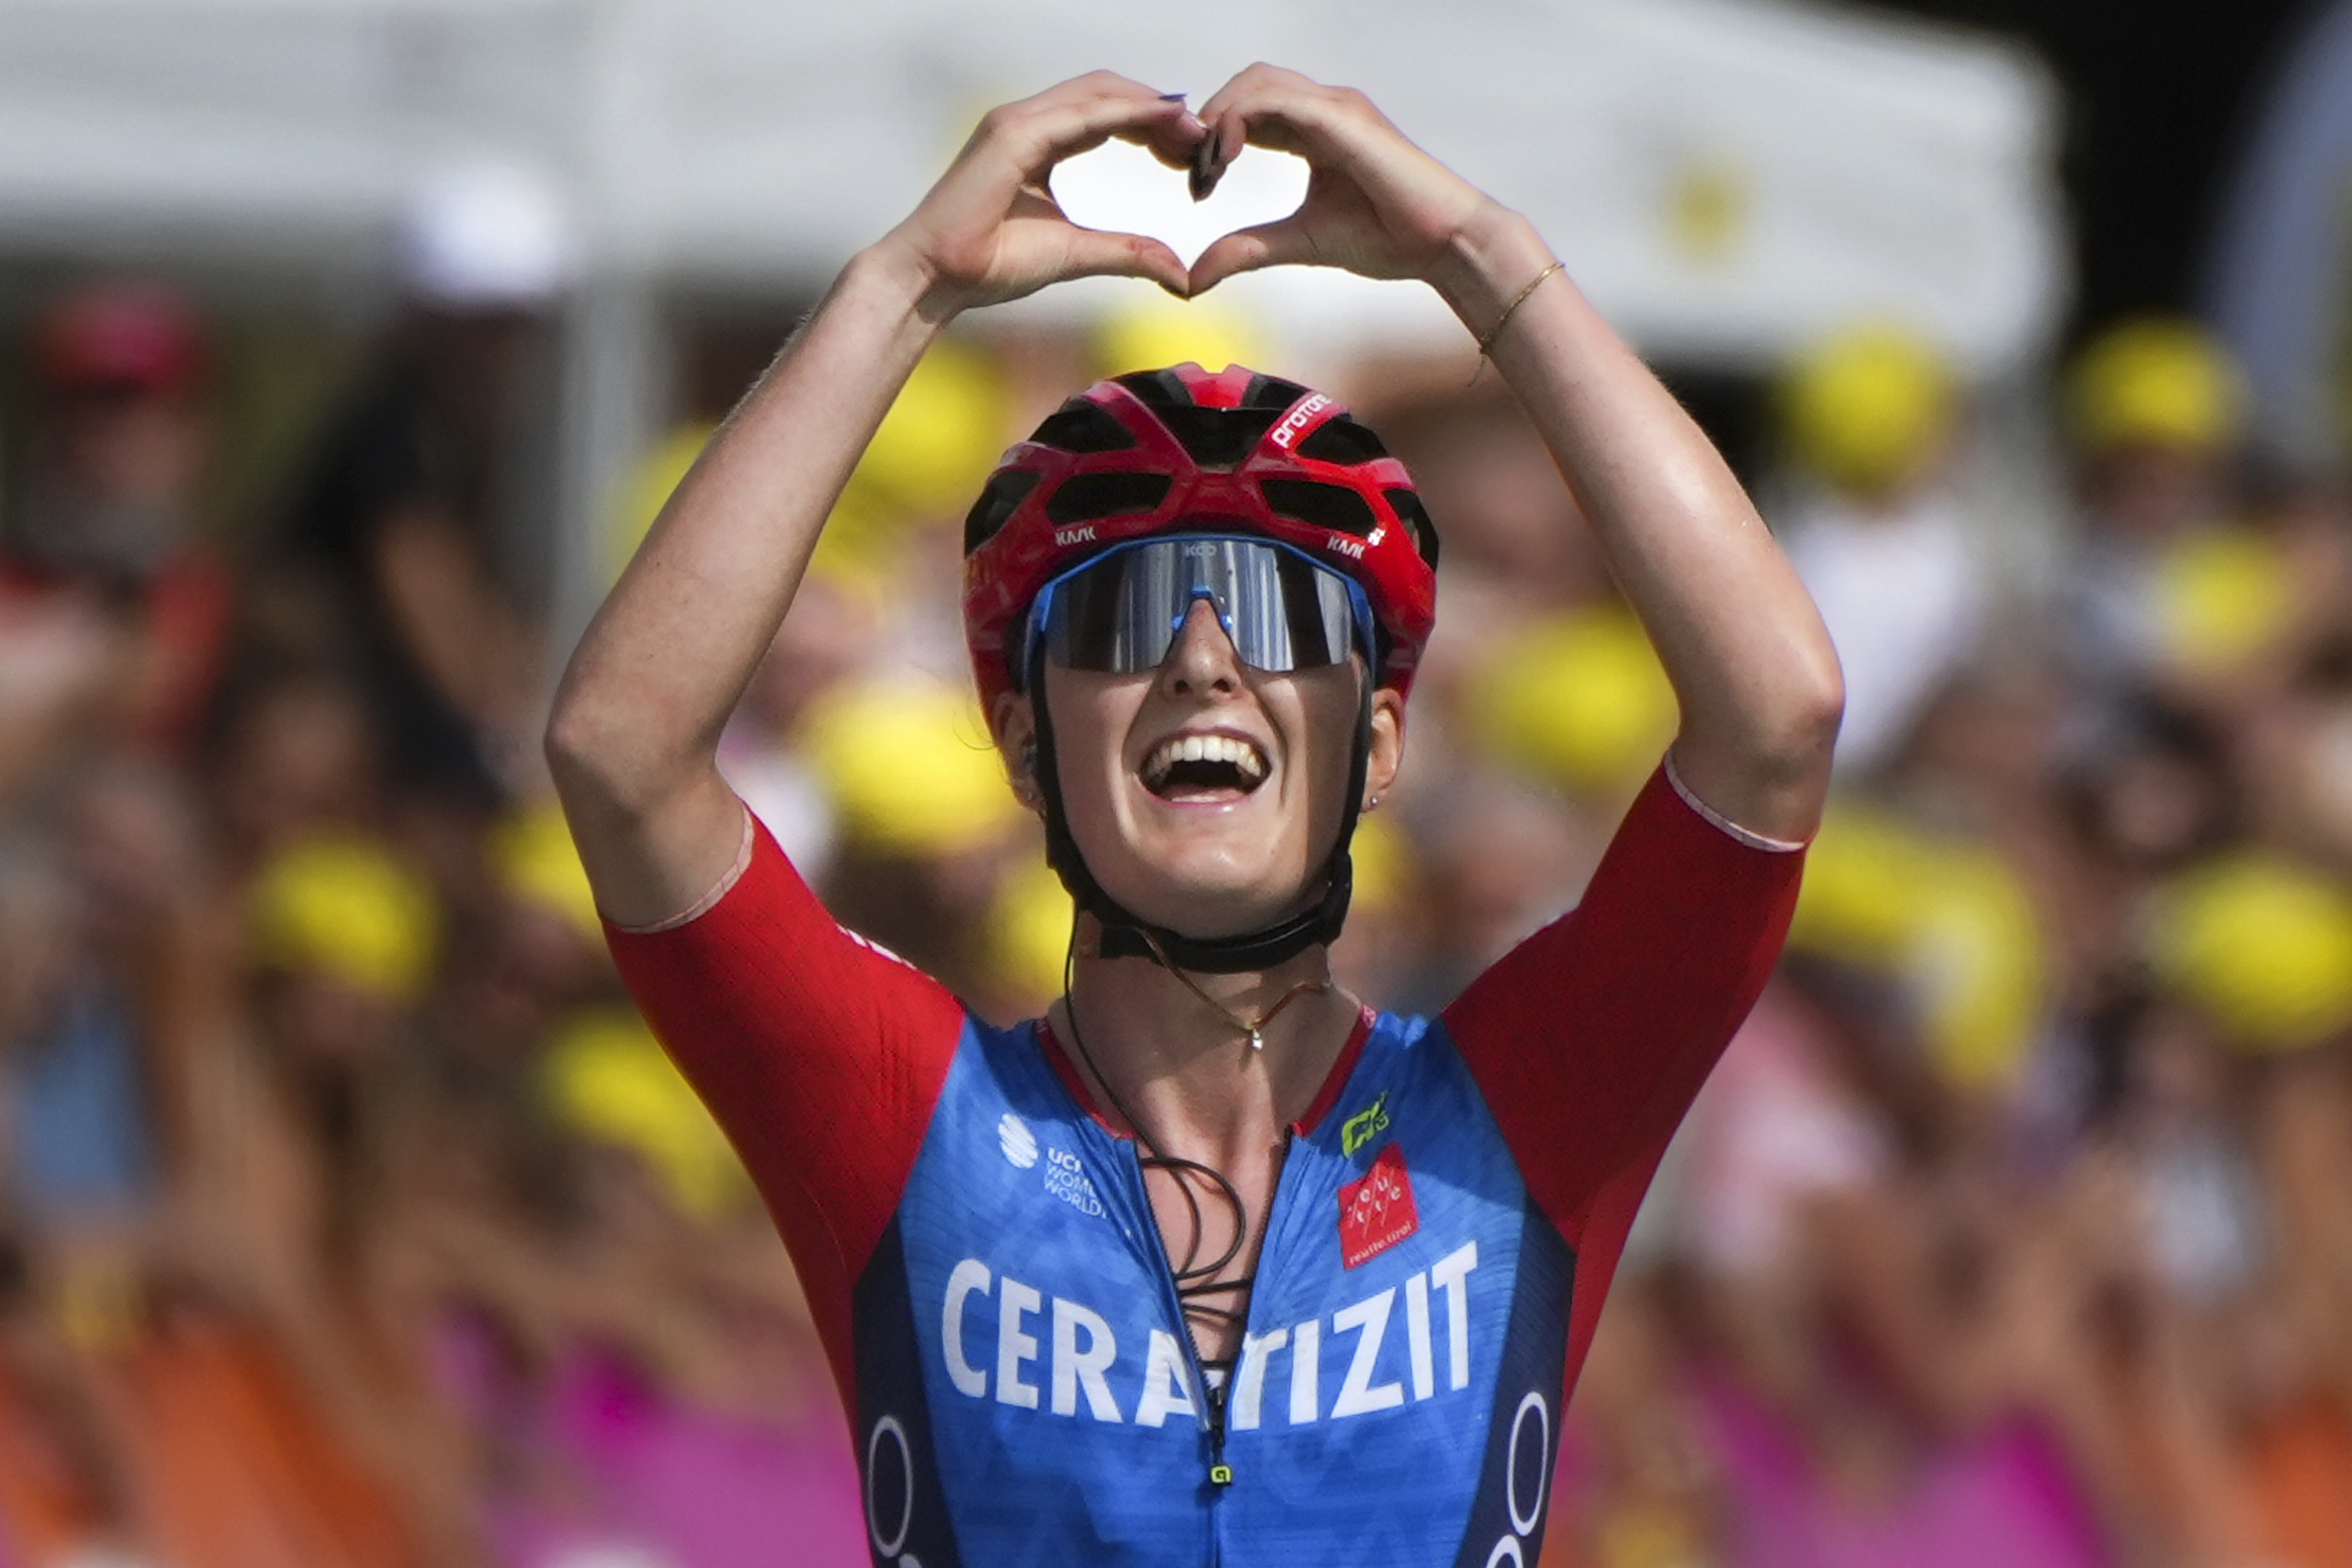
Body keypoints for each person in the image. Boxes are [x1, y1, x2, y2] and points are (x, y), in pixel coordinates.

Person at [547, 67, 1842, 1565]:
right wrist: (905, 286)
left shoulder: (1515, 1116)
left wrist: (1482, 261)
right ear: (1023, 750)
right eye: (1124, 613)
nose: (1205, 657)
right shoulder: (913, 1120)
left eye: (1290, 613)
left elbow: (1778, 720)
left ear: (1384, 739)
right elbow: (623, 750)